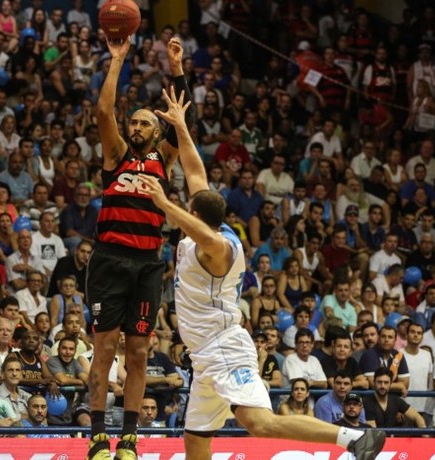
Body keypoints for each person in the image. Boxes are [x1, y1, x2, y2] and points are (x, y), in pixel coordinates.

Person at [137, 87, 385, 460]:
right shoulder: (207, 219)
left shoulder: (221, 247)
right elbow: (193, 168)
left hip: (224, 349)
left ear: (196, 216)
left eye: (189, 211)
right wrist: (180, 126)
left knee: (260, 423)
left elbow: (199, 229)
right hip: (203, 356)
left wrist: (162, 203)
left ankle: (353, 438)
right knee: (195, 439)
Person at [86, 36, 195, 460]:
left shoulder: (164, 161)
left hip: (149, 264)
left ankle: (128, 439)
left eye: (145, 123)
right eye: (133, 122)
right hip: (109, 260)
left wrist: (176, 67)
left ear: (156, 131)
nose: (136, 127)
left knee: (138, 353)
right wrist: (117, 60)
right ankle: (98, 436)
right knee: (105, 348)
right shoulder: (114, 155)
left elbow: (184, 117)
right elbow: (102, 111)